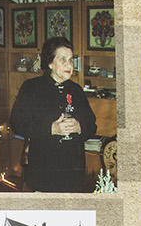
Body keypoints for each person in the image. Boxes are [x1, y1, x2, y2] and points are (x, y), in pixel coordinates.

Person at [9, 36, 98, 192]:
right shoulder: (31, 87)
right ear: (50, 63)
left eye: (71, 60)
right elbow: (17, 123)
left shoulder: (77, 90)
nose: (69, 64)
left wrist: (80, 126)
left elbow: (92, 125)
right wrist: (51, 129)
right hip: (44, 171)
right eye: (62, 59)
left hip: (73, 173)